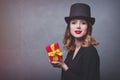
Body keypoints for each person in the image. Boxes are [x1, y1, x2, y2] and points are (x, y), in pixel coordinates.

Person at [51, 3, 100, 80]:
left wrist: (64, 66)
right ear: (69, 27)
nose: (78, 26)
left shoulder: (90, 51)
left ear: (88, 27)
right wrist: (60, 63)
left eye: (83, 23)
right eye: (74, 22)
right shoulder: (72, 50)